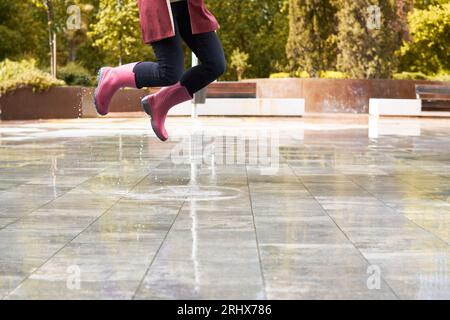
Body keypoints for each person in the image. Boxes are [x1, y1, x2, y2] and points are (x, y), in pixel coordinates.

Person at [94, 0, 226, 141]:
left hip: (190, 6)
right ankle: (113, 76)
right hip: (160, 5)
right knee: (169, 72)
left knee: (215, 64)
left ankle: (160, 103)